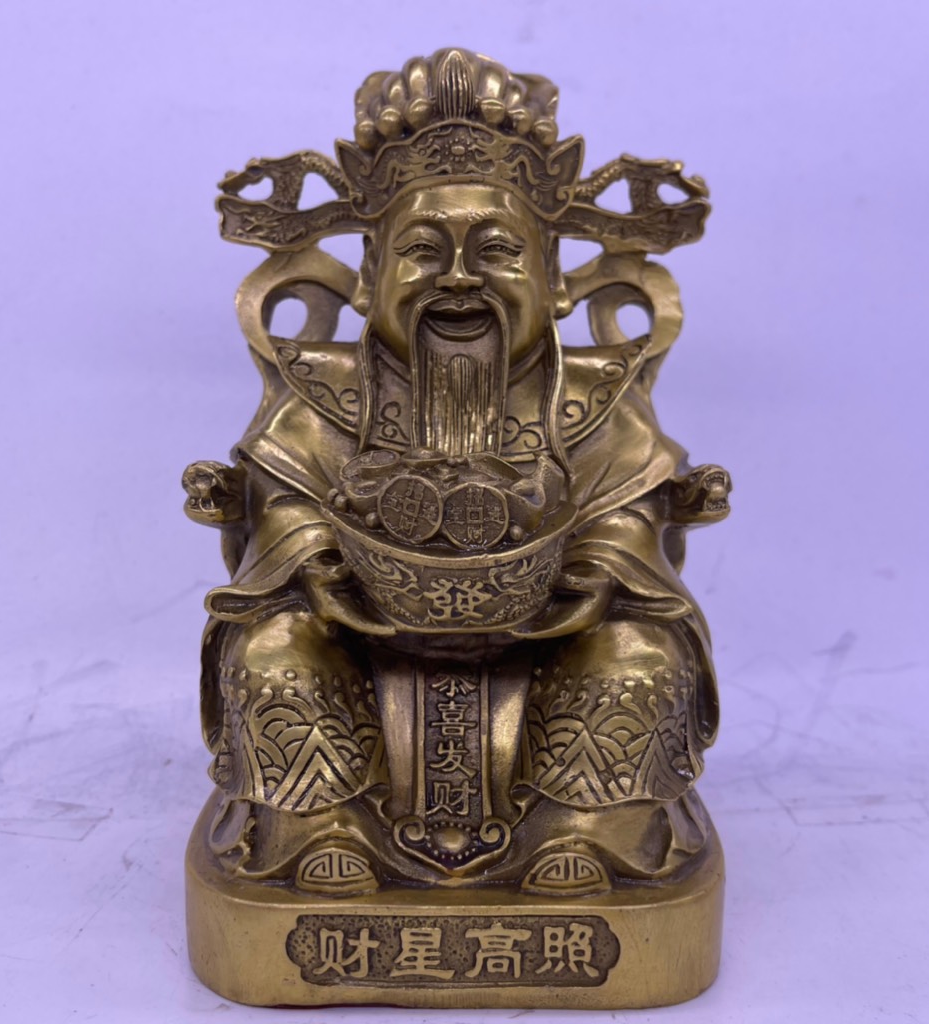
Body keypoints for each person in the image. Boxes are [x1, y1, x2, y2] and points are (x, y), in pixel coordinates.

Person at [184, 48, 730, 895]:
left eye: (499, 250)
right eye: (423, 251)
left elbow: (630, 518)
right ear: (370, 279)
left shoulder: (595, 398)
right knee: (270, 651)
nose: (461, 279)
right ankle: (322, 827)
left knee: (638, 657)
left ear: (553, 281)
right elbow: (283, 510)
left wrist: (592, 577)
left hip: (556, 634)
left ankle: (584, 831)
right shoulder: (321, 393)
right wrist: (318, 570)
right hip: (355, 630)